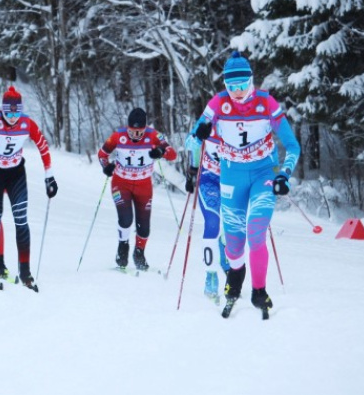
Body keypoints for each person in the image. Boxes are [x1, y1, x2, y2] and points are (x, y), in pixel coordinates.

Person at [193, 51, 300, 317]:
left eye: (242, 85)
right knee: (234, 243)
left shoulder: (266, 102)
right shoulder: (218, 103)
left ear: (251, 80)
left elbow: (292, 144)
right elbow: (199, 130)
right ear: (225, 85)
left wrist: (284, 174)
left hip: (262, 174)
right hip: (230, 177)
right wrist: (201, 132)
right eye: (232, 86)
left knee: (256, 232)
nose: (238, 92)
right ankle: (234, 283)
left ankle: (259, 291)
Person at [0, 86, 57, 289]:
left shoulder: (27, 123)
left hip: (15, 174)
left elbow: (43, 146)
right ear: (2, 109)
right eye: (8, 112)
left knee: (21, 219)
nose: (13, 117)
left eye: (16, 111)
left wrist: (50, 177)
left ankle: (25, 271)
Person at [97, 108, 177, 271]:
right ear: (127, 128)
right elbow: (102, 154)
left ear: (145, 128)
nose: (135, 136)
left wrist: (160, 151)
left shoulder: (154, 135)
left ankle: (139, 253)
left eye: (139, 132)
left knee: (144, 226)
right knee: (125, 219)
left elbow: (172, 154)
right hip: (121, 183)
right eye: (132, 132)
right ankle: (123, 248)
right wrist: (106, 167)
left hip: (143, 185)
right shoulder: (118, 136)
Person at [184, 122, 231, 303]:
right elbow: (190, 143)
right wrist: (193, 170)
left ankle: (227, 264)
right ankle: (211, 278)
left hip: (232, 181)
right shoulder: (210, 123)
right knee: (212, 223)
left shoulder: (243, 127)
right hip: (209, 180)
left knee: (231, 227)